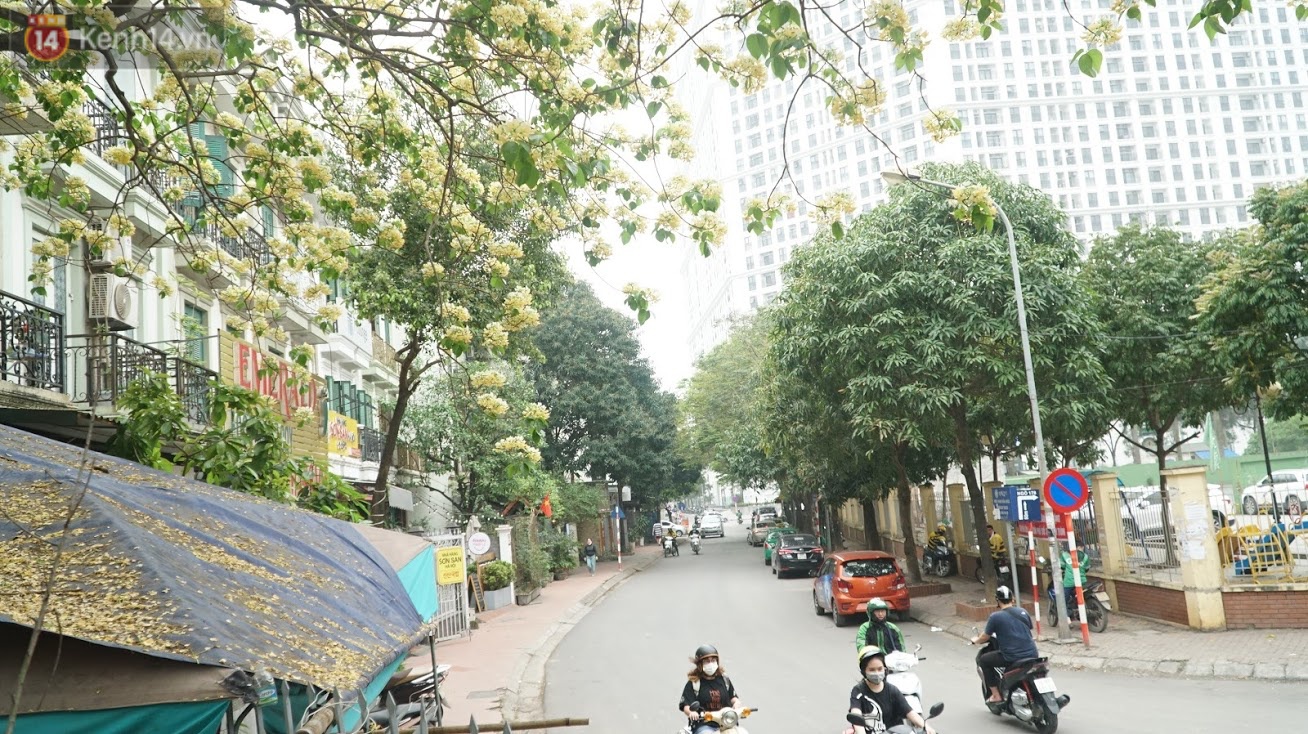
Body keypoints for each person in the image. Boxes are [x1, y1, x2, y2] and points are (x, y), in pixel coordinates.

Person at [970, 585, 1040, 703]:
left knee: (984, 660)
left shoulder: (995, 617)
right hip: (1033, 654)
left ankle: (996, 695)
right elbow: (1027, 629)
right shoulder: (1023, 612)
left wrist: (975, 640)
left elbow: (985, 636)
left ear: (998, 600)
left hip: (1012, 657)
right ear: (1012, 599)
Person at [847, 646, 935, 734]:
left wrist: (925, 726)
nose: (877, 673)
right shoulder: (858, 691)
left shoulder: (892, 690)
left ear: (885, 669)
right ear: (863, 671)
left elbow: (910, 713)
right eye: (872, 670)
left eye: (880, 669)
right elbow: (856, 716)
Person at [679, 645, 743, 733]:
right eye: (707, 661)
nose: (710, 663)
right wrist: (691, 713)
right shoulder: (694, 683)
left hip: (727, 724)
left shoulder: (724, 680)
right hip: (705, 725)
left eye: (713, 660)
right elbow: (686, 705)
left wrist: (737, 703)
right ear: (700, 664)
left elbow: (733, 697)